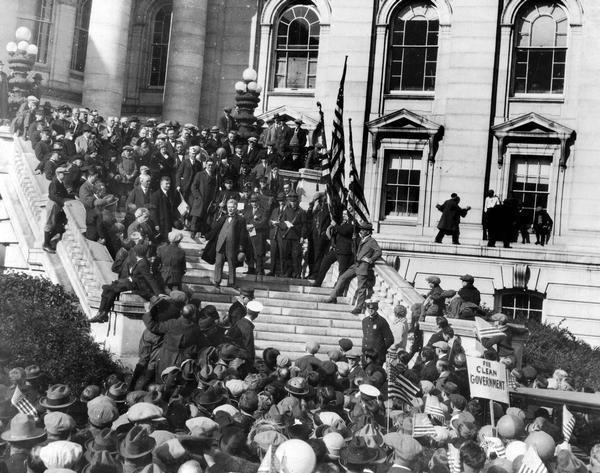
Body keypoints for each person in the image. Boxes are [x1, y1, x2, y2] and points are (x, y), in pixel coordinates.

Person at [90, 244, 164, 323]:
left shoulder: (143, 263)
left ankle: (103, 313)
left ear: (137, 252)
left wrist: (158, 293)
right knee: (108, 289)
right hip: (131, 282)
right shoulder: (140, 261)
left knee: (110, 288)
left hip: (136, 285)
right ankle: (102, 313)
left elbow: (150, 279)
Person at [326, 222, 382, 315]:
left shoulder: (372, 241)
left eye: (363, 230)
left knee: (361, 288)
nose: (361, 231)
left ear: (368, 232)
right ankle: (333, 297)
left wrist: (370, 259)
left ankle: (359, 308)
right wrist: (354, 241)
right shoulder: (361, 239)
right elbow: (355, 250)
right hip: (356, 265)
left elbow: (379, 251)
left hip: (363, 266)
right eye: (361, 229)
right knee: (342, 277)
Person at [142, 303, 206, 381]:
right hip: (182, 359)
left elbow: (154, 326)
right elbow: (202, 344)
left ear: (181, 312)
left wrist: (148, 312)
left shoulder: (172, 323)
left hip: (166, 356)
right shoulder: (195, 329)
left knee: (161, 379)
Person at [211, 199, 247, 288]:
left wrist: (241, 247)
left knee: (232, 263)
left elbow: (243, 233)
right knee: (218, 263)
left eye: (232, 207)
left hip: (232, 244)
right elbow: (215, 229)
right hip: (221, 243)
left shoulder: (240, 219)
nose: (230, 209)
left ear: (236, 208)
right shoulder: (223, 217)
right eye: (229, 207)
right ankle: (217, 281)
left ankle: (231, 282)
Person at [44, 166, 74, 253]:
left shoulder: (60, 182)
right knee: (49, 224)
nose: (65, 176)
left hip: (56, 205)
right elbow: (52, 196)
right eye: (64, 174)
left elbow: (64, 193)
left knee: (54, 224)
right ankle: (46, 244)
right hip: (53, 205)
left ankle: (48, 242)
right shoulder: (54, 182)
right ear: (59, 174)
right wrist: (63, 202)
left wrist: (73, 196)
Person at [279, 191, 307, 278]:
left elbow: (304, 225)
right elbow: (281, 222)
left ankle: (297, 273)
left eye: (294, 202)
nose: (293, 203)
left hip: (296, 236)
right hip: (286, 236)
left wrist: (302, 236)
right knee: (286, 255)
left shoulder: (301, 212)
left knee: (296, 256)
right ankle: (287, 272)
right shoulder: (286, 211)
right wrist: (285, 225)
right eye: (291, 202)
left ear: (297, 202)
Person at [227, 300, 263, 365]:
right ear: (257, 314)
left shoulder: (240, 322)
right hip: (241, 361)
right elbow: (249, 349)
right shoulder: (247, 327)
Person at [190, 159, 217, 239]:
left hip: (208, 200)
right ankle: (193, 231)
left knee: (205, 217)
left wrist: (213, 199)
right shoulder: (200, 174)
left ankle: (202, 232)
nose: (210, 167)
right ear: (205, 165)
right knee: (196, 216)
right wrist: (197, 196)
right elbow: (194, 186)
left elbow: (214, 189)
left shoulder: (214, 176)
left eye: (212, 165)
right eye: (209, 165)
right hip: (200, 198)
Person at [361, 300, 394, 365]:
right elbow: (366, 336)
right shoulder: (365, 321)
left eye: (372, 309)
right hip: (366, 353)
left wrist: (380, 350)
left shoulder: (381, 321)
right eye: (369, 308)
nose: (370, 310)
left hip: (376, 356)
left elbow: (390, 339)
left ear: (376, 309)